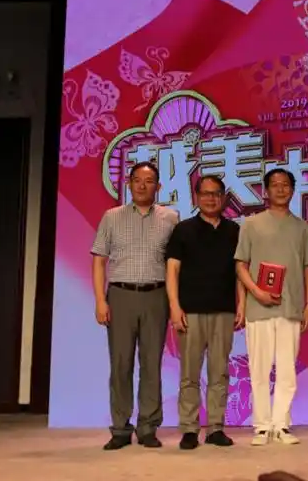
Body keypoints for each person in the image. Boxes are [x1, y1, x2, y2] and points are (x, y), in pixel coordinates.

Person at [91, 161, 179, 450]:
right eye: (137, 180)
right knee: (121, 364)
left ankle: (148, 427)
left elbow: (175, 265)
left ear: (158, 186)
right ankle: (120, 428)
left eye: (149, 180)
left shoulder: (171, 218)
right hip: (120, 295)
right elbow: (99, 260)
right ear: (128, 184)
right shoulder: (112, 217)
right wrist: (100, 300)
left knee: (152, 364)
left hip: (156, 295)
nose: (142, 185)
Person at [235, 168, 308, 446]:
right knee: (259, 370)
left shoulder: (302, 227)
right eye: (274, 185)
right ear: (265, 191)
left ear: (293, 191)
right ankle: (261, 426)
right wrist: (256, 292)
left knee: (287, 370)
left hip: (290, 307)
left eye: (285, 185)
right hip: (257, 308)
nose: (280, 189)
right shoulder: (251, 224)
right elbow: (241, 265)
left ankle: (281, 424)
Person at [165, 175, 244, 450]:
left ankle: (215, 428)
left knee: (219, 372)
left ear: (223, 198)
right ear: (197, 197)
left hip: (223, 310)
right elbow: (172, 270)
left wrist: (242, 304)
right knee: (190, 374)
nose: (211, 198)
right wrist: (174, 306)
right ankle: (189, 429)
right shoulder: (183, 229)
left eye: (216, 193)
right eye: (206, 193)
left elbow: (240, 270)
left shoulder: (234, 230)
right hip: (191, 311)